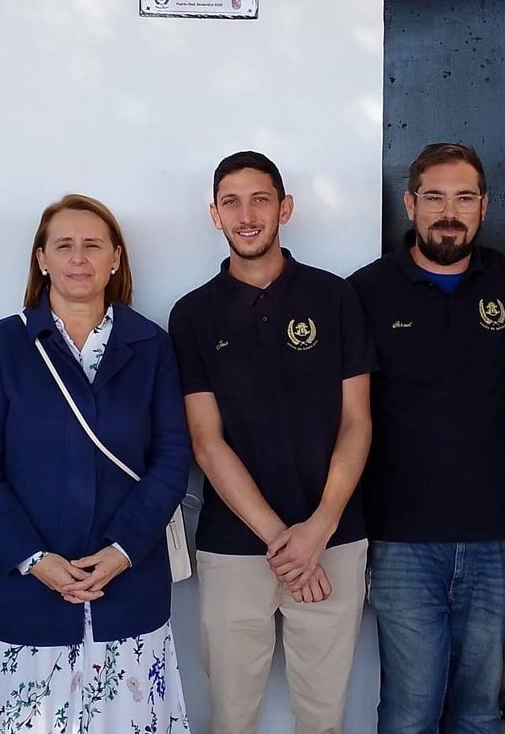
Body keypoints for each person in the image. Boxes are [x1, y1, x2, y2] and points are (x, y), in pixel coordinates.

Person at [0, 193, 193, 733]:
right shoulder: (3, 343)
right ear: (42, 259)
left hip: (125, 590)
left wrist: (123, 551)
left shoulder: (151, 345)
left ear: (115, 258)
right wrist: (33, 557)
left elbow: (172, 457)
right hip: (22, 590)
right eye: (64, 245)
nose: (78, 258)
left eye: (93, 245)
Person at [169, 151, 376, 734]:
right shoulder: (191, 315)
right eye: (231, 201)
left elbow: (357, 421)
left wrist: (318, 528)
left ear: (285, 207)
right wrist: (284, 542)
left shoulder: (335, 299)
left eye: (260, 198)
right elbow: (207, 443)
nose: (247, 214)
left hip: (333, 537)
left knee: (323, 717)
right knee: (232, 718)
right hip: (236, 545)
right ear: (214, 215)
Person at [347, 143, 505, 734]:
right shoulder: (365, 293)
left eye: (464, 198)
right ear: (409, 204)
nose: (448, 212)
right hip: (402, 539)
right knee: (410, 711)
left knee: (478, 710)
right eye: (434, 198)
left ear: (484, 207)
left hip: (495, 535)